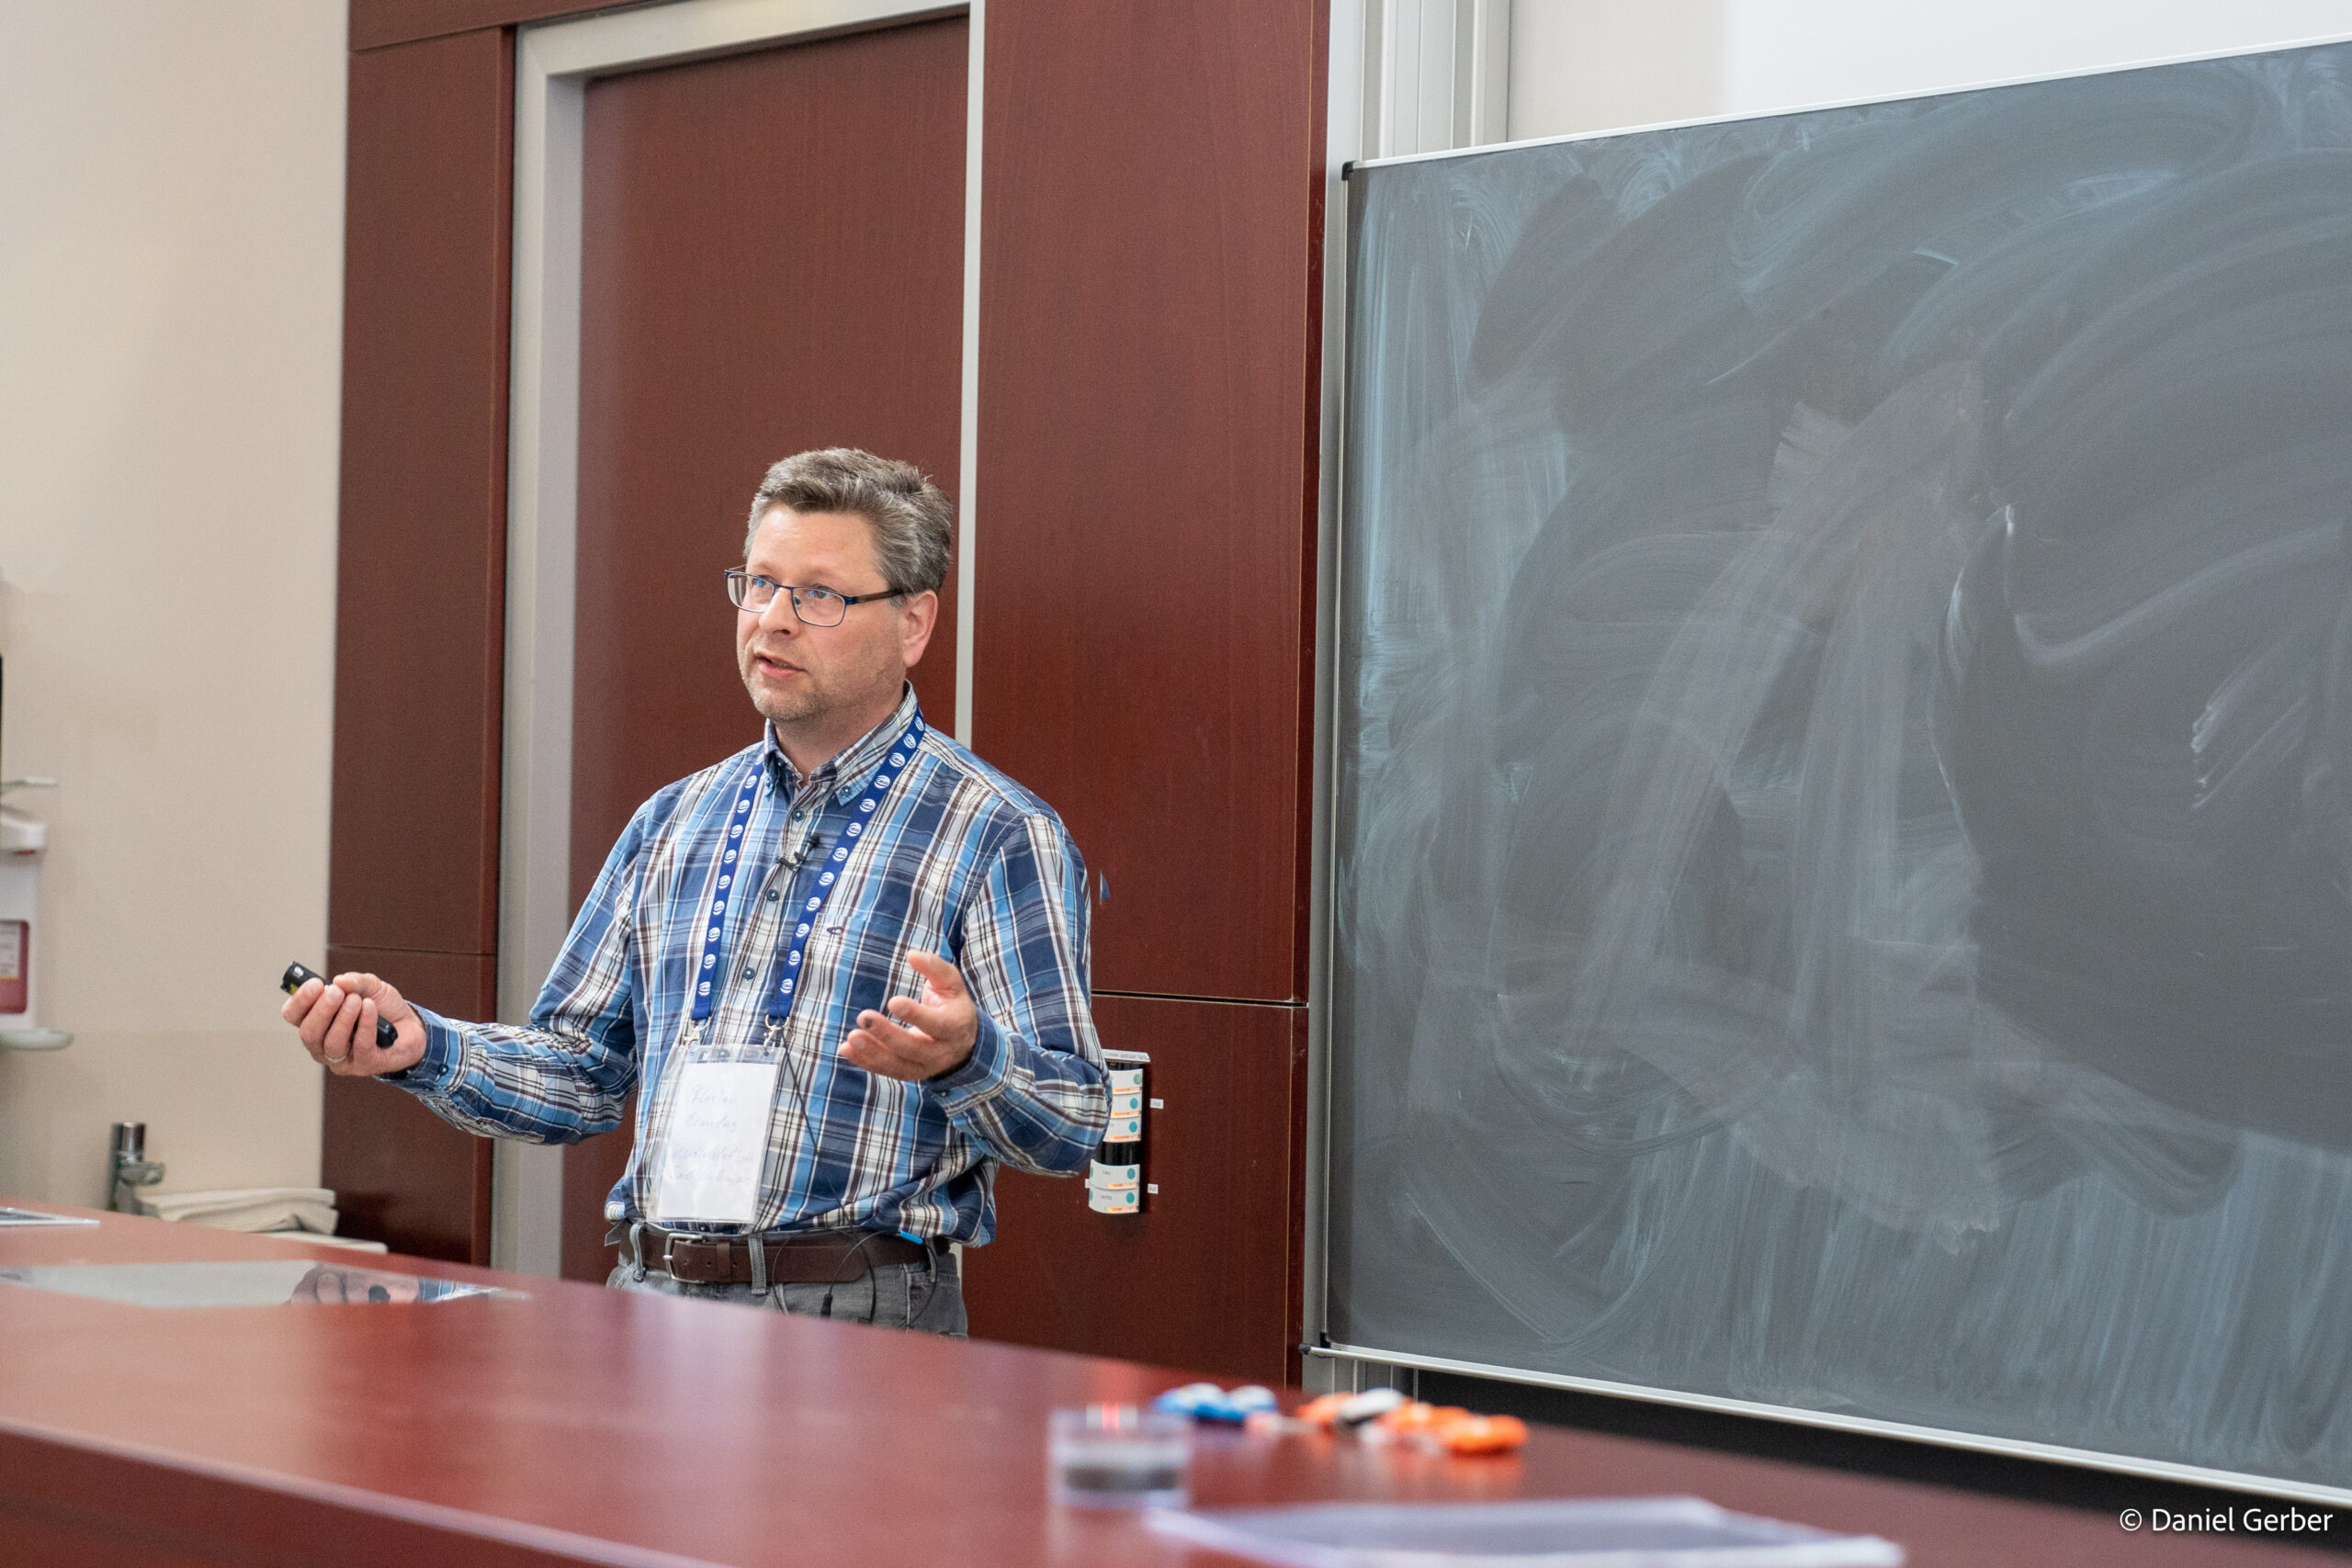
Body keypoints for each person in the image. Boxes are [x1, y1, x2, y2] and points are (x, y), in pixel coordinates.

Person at [282, 448, 1107, 1335]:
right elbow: (582, 1072)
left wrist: (965, 1058)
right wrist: (423, 1048)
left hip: (855, 1314)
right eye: (758, 583)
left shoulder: (993, 830)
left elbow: (1071, 1122)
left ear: (913, 622)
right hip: (653, 1298)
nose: (773, 621)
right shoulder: (676, 820)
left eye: (818, 595)